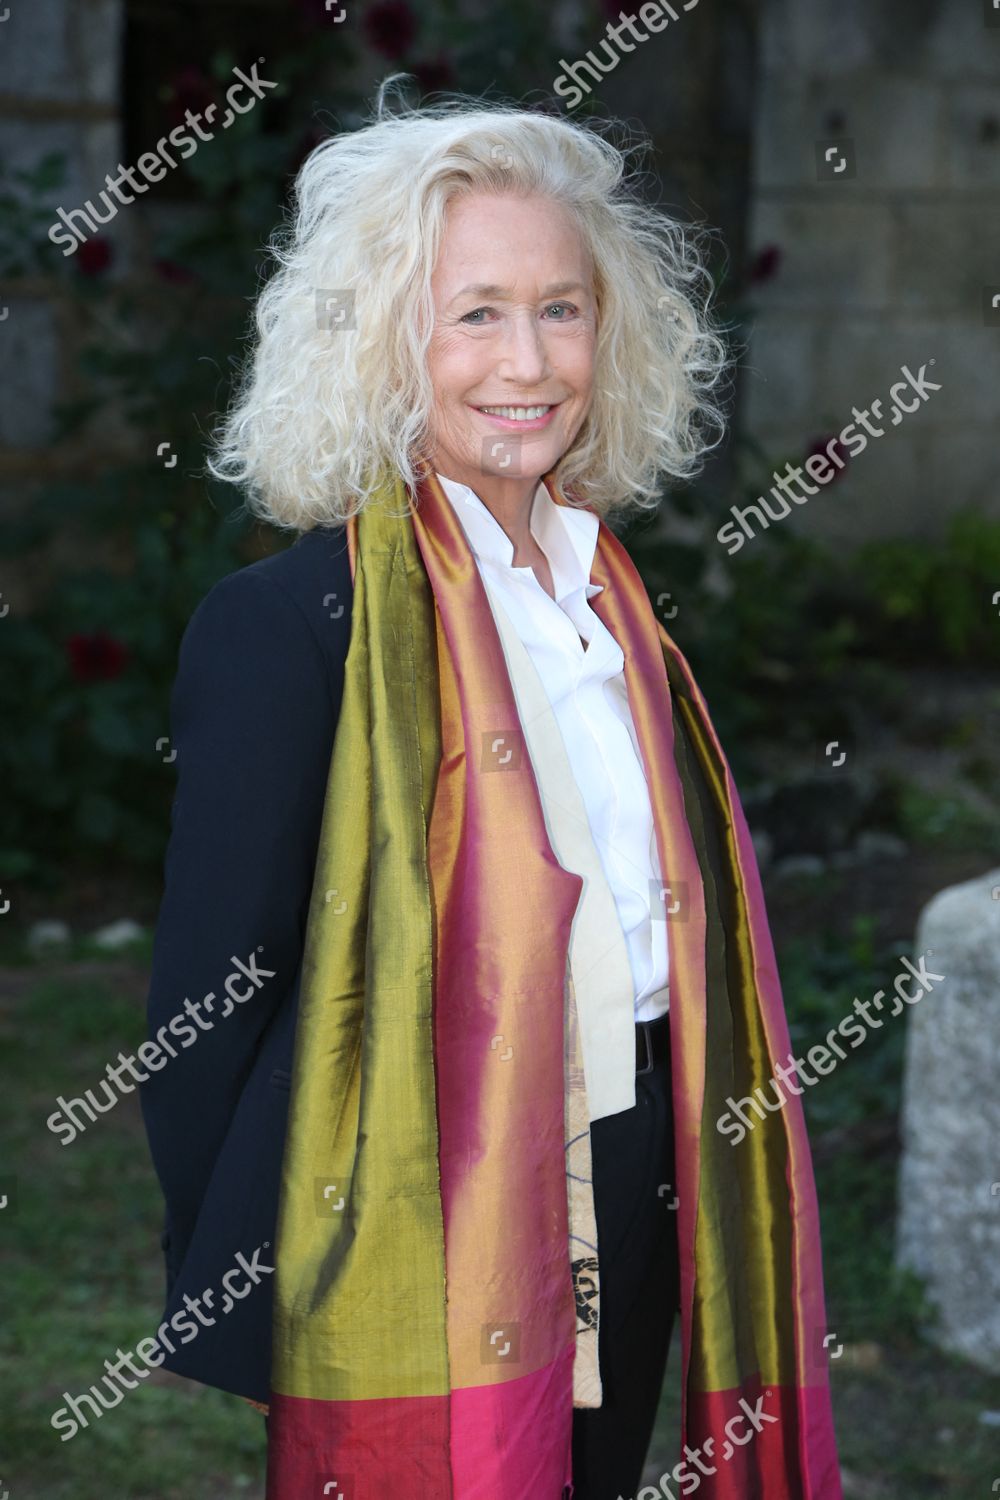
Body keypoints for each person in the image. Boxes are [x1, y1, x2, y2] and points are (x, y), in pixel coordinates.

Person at [140, 78, 842, 1500]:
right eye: (475, 312)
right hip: (421, 1178)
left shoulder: (615, 608)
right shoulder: (293, 626)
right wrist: (266, 1280)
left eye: (561, 308)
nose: (526, 360)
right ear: (384, 340)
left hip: (646, 1140)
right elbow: (209, 1012)